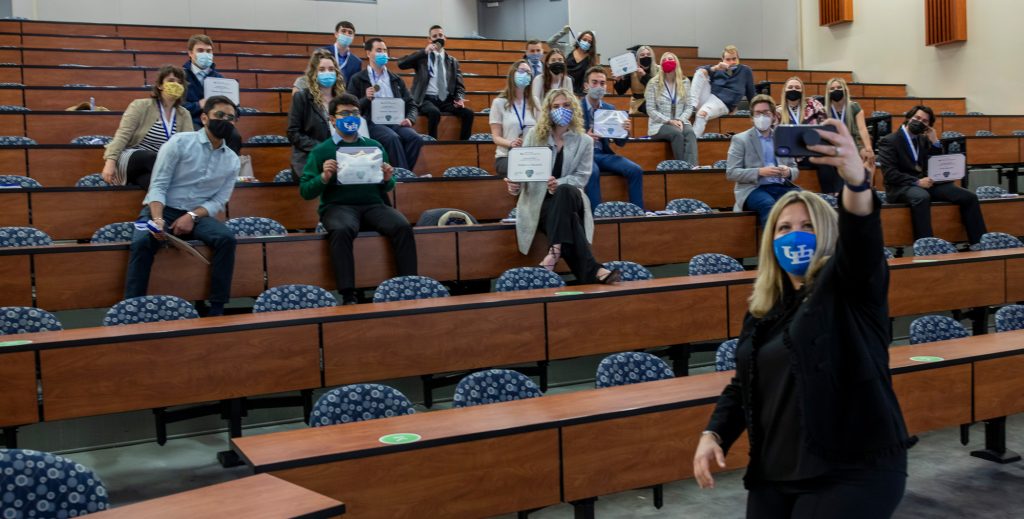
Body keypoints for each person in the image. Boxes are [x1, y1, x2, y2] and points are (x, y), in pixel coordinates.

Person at [694, 120, 914, 518]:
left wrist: (856, 184)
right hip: (776, 468)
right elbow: (745, 383)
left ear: (827, 232)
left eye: (807, 226)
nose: (794, 236)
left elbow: (862, 238)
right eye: (784, 228)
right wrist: (715, 433)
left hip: (854, 467)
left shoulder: (849, 285)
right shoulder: (764, 307)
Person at [125, 96, 241, 317]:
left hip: (196, 214)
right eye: (219, 115)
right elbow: (158, 185)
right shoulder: (180, 142)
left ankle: (216, 307)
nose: (225, 120)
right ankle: (132, 308)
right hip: (162, 208)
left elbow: (218, 201)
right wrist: (158, 219)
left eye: (230, 117)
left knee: (226, 239)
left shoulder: (232, 160)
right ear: (205, 118)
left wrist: (191, 215)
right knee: (141, 242)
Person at [299, 94, 417, 305]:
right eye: (344, 113)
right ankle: (348, 294)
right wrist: (324, 177)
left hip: (373, 204)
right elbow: (306, 191)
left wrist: (388, 178)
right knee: (342, 229)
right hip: (337, 207)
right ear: (333, 119)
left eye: (354, 113)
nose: (350, 117)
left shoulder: (374, 146)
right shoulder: (321, 150)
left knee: (402, 226)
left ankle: (408, 285)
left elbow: (387, 185)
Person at [505, 88, 620, 285]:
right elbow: (523, 171)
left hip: (571, 197)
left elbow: (582, 178)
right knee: (571, 220)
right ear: (548, 111)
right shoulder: (534, 135)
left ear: (574, 108)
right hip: (540, 203)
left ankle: (554, 252)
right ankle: (592, 270)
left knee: (565, 190)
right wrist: (514, 185)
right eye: (556, 106)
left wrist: (558, 183)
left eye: (566, 105)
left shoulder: (584, 140)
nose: (561, 110)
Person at [879, 105, 987, 248]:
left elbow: (934, 166)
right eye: (917, 118)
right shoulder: (889, 140)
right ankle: (926, 246)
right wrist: (916, 181)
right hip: (900, 187)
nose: (919, 122)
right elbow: (890, 174)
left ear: (927, 126)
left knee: (969, 197)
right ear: (908, 118)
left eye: (924, 121)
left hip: (925, 184)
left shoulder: (923, 140)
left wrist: (935, 142)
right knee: (922, 197)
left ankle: (978, 244)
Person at [102, 65, 193, 189]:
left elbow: (188, 148)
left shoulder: (184, 114)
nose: (176, 85)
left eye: (180, 82)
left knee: (155, 185)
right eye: (171, 81)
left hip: (159, 168)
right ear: (160, 85)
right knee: (150, 157)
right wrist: (110, 161)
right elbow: (122, 135)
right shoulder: (140, 105)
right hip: (133, 158)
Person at [347, 37, 423, 171]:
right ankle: (403, 180)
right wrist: (365, 98)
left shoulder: (396, 79)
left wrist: (410, 119)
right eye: (379, 50)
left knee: (415, 138)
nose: (383, 54)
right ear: (368, 53)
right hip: (372, 123)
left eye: (385, 50)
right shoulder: (358, 79)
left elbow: (411, 104)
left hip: (396, 122)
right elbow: (349, 107)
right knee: (392, 138)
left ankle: (402, 172)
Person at [726, 94, 800, 224]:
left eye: (766, 113)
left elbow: (795, 169)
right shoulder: (740, 139)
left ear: (773, 116)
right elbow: (731, 173)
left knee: (805, 201)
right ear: (752, 117)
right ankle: (772, 244)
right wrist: (759, 172)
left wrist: (788, 171)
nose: (762, 117)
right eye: (758, 113)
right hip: (753, 189)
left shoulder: (782, 138)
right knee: (769, 205)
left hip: (780, 186)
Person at [581, 66, 644, 209]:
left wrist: (625, 131)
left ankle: (638, 212)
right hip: (584, 155)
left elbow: (620, 142)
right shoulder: (576, 108)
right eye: (594, 82)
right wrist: (584, 137)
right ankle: (596, 216)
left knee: (636, 170)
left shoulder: (610, 109)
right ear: (586, 85)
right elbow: (567, 137)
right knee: (593, 172)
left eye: (602, 83)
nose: (599, 86)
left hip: (603, 154)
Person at [397, 24, 474, 141]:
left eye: (440, 35)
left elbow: (460, 85)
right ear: (429, 40)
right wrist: (423, 52)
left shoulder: (452, 61)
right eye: (434, 36)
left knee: (468, 113)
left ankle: (464, 144)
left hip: (446, 99)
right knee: (434, 112)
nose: (438, 38)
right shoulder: (422, 58)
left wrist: (459, 98)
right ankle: (433, 143)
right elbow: (401, 64)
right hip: (426, 99)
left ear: (445, 38)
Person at [287, 49, 348, 178]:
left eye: (331, 69)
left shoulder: (344, 100)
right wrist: (322, 148)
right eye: (322, 69)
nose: (328, 73)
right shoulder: (302, 97)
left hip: (341, 156)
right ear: (314, 73)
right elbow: (293, 133)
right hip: (310, 157)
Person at [182, 34, 242, 153]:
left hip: (218, 121)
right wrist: (199, 105)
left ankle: (227, 168)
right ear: (190, 53)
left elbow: (236, 110)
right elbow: (178, 108)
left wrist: (231, 112)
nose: (205, 54)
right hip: (192, 122)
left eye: (208, 51)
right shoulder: (181, 77)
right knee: (198, 137)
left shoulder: (221, 79)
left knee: (235, 136)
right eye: (200, 50)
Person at [776, 77, 834, 193]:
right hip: (790, 155)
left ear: (802, 91)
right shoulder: (778, 112)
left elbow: (825, 126)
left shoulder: (813, 105)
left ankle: (831, 195)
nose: (794, 90)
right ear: (784, 91)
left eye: (797, 88)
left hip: (810, 150)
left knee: (826, 158)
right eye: (790, 87)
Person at [685, 44, 756, 138]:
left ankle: (692, 140)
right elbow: (697, 70)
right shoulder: (719, 68)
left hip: (723, 102)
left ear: (738, 59)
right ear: (722, 59)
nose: (732, 62)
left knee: (702, 114)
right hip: (709, 96)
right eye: (728, 59)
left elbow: (751, 94)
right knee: (700, 72)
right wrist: (716, 68)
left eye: (734, 59)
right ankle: (691, 106)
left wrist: (758, 109)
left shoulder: (745, 70)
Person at [644, 52, 698, 165]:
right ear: (661, 65)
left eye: (670, 59)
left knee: (690, 133)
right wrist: (668, 121)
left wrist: (680, 120)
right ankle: (681, 167)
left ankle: (692, 167)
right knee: (676, 133)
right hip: (659, 124)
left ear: (676, 63)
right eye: (664, 60)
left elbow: (688, 106)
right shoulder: (653, 83)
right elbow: (650, 109)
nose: (667, 61)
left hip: (681, 121)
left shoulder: (685, 82)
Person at [489, 60, 539, 178]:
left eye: (528, 73)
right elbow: (496, 137)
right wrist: (511, 143)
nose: (525, 74)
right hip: (506, 156)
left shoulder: (534, 101)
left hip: (530, 155)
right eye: (522, 71)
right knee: (523, 171)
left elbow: (542, 129)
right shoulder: (499, 102)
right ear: (513, 74)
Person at [292, 20, 361, 93]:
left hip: (341, 96)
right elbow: (311, 74)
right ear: (336, 34)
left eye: (350, 32)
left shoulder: (356, 62)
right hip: (319, 93)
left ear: (353, 37)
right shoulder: (321, 52)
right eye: (343, 31)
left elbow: (352, 86)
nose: (347, 34)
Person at [823, 77, 875, 173]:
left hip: (853, 144)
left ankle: (866, 187)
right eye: (832, 89)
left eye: (839, 87)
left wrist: (868, 149)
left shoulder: (854, 107)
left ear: (845, 90)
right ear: (828, 93)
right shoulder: (824, 110)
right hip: (833, 146)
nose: (836, 90)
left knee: (869, 159)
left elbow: (862, 129)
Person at [545, 25, 595, 96]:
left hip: (579, 93)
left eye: (589, 42)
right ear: (579, 39)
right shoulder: (568, 48)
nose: (586, 42)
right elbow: (550, 43)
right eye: (584, 40)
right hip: (563, 87)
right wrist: (563, 32)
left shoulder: (591, 59)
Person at [613, 45, 658, 115]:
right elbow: (621, 91)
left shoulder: (658, 70)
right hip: (637, 105)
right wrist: (618, 80)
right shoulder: (632, 71)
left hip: (655, 104)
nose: (646, 57)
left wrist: (644, 75)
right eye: (642, 55)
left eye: (648, 54)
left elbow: (657, 88)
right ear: (637, 59)